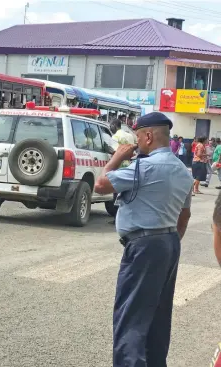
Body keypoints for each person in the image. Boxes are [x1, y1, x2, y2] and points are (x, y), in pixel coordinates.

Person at [94, 112, 193, 367]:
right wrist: (166, 240)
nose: (135, 143)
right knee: (158, 317)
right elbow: (185, 215)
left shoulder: (144, 167)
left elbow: (101, 185)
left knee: (131, 318)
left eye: (137, 137)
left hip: (144, 246)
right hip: (169, 242)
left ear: (148, 136)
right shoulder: (182, 170)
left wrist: (116, 158)